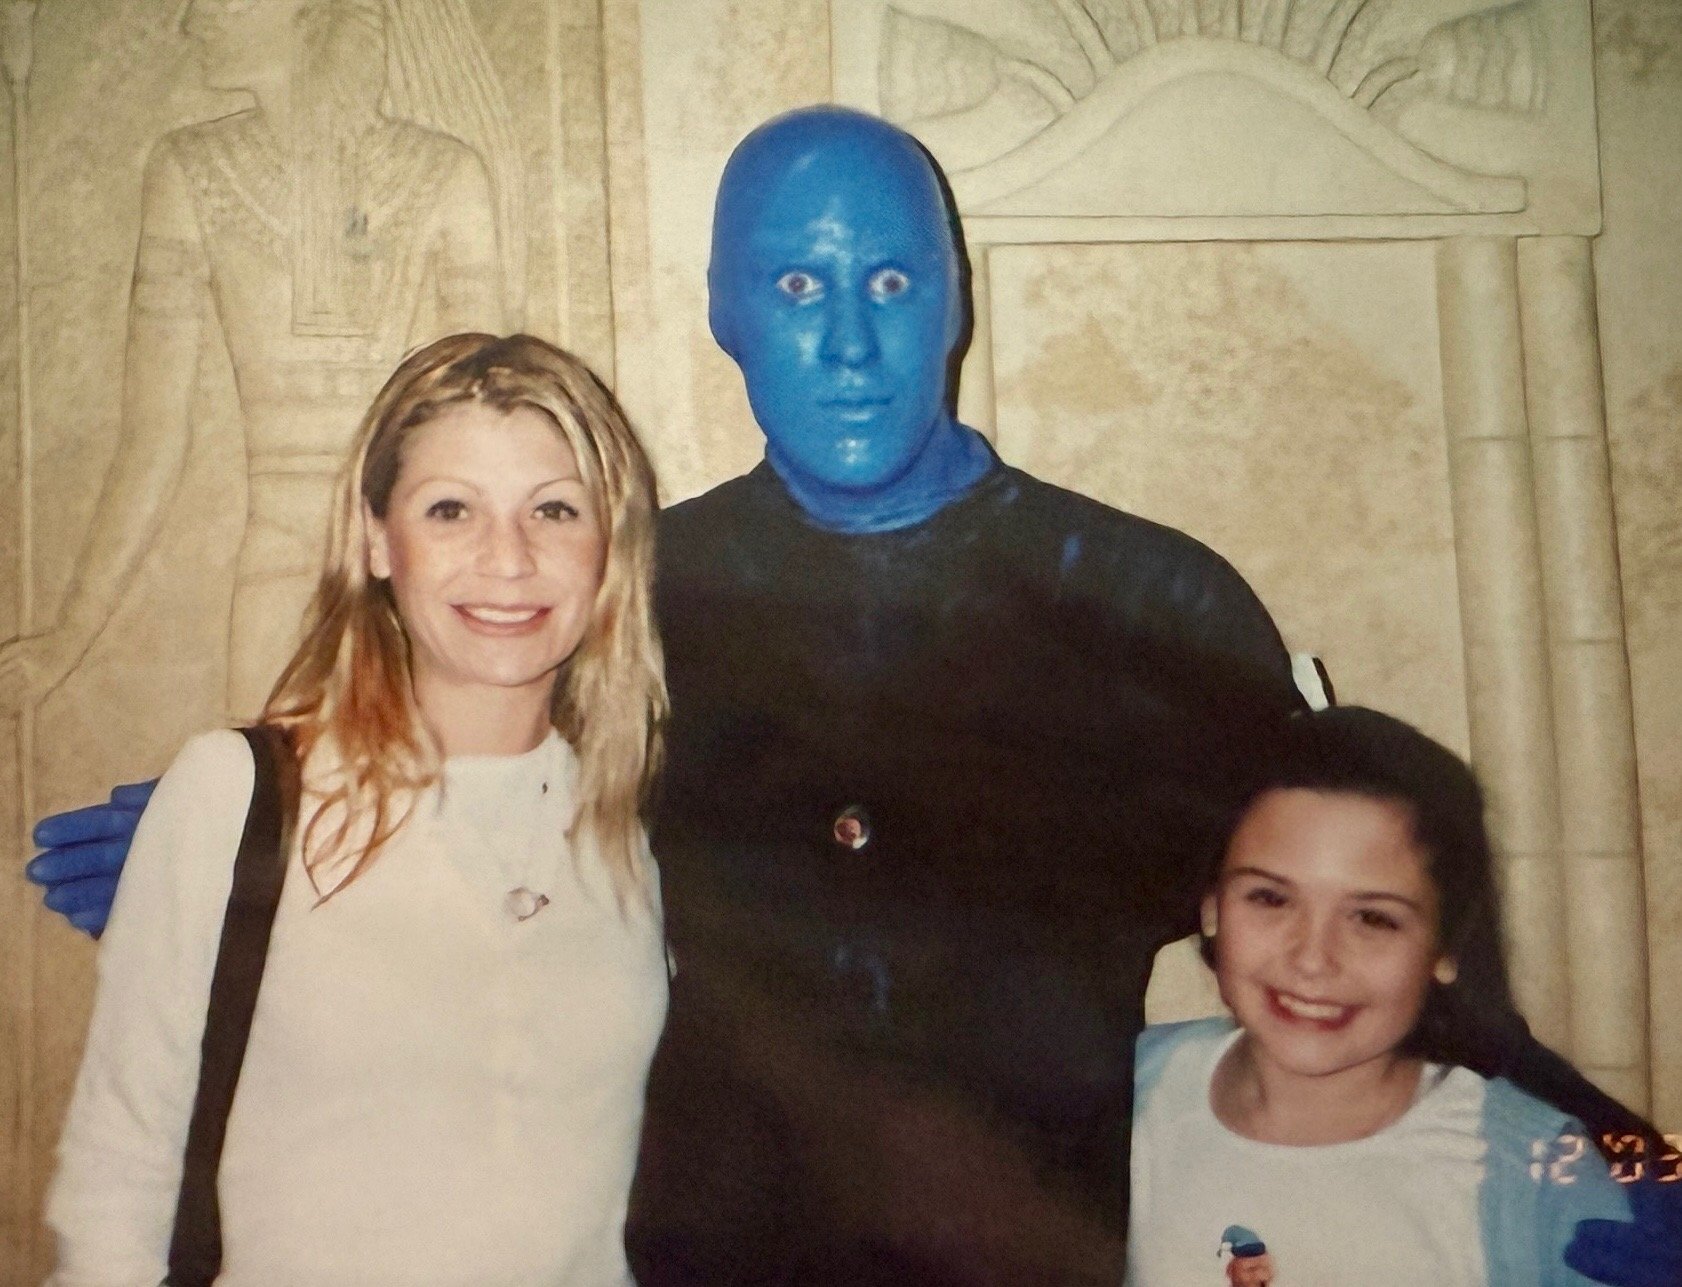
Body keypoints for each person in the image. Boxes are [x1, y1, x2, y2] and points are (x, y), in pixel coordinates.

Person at [26, 108, 1674, 1284]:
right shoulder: (637, 602)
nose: (849, 345)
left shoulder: (1147, 599)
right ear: (724, 311)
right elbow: (472, 783)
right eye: (798, 289)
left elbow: (1379, 929)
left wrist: (1632, 1156)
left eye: (889, 284)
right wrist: (255, 831)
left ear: (954, 294)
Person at [45, 333, 668, 1285]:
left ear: (608, 548)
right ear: (377, 539)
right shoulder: (242, 795)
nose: (508, 557)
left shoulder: (640, 829)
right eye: (451, 509)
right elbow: (117, 1181)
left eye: (554, 509)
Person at [0, 0, 523, 718]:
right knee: (268, 777)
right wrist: (70, 638)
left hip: (422, 561)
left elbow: (489, 422)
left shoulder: (446, 174)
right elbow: (154, 439)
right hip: (277, 562)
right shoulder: (189, 169)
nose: (193, 20)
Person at [1127, 707, 1637, 1286]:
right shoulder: (1122, 1093)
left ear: (1446, 947)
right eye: (1270, 898)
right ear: (1212, 907)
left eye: (1372, 918)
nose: (1313, 959)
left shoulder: (1541, 1180)